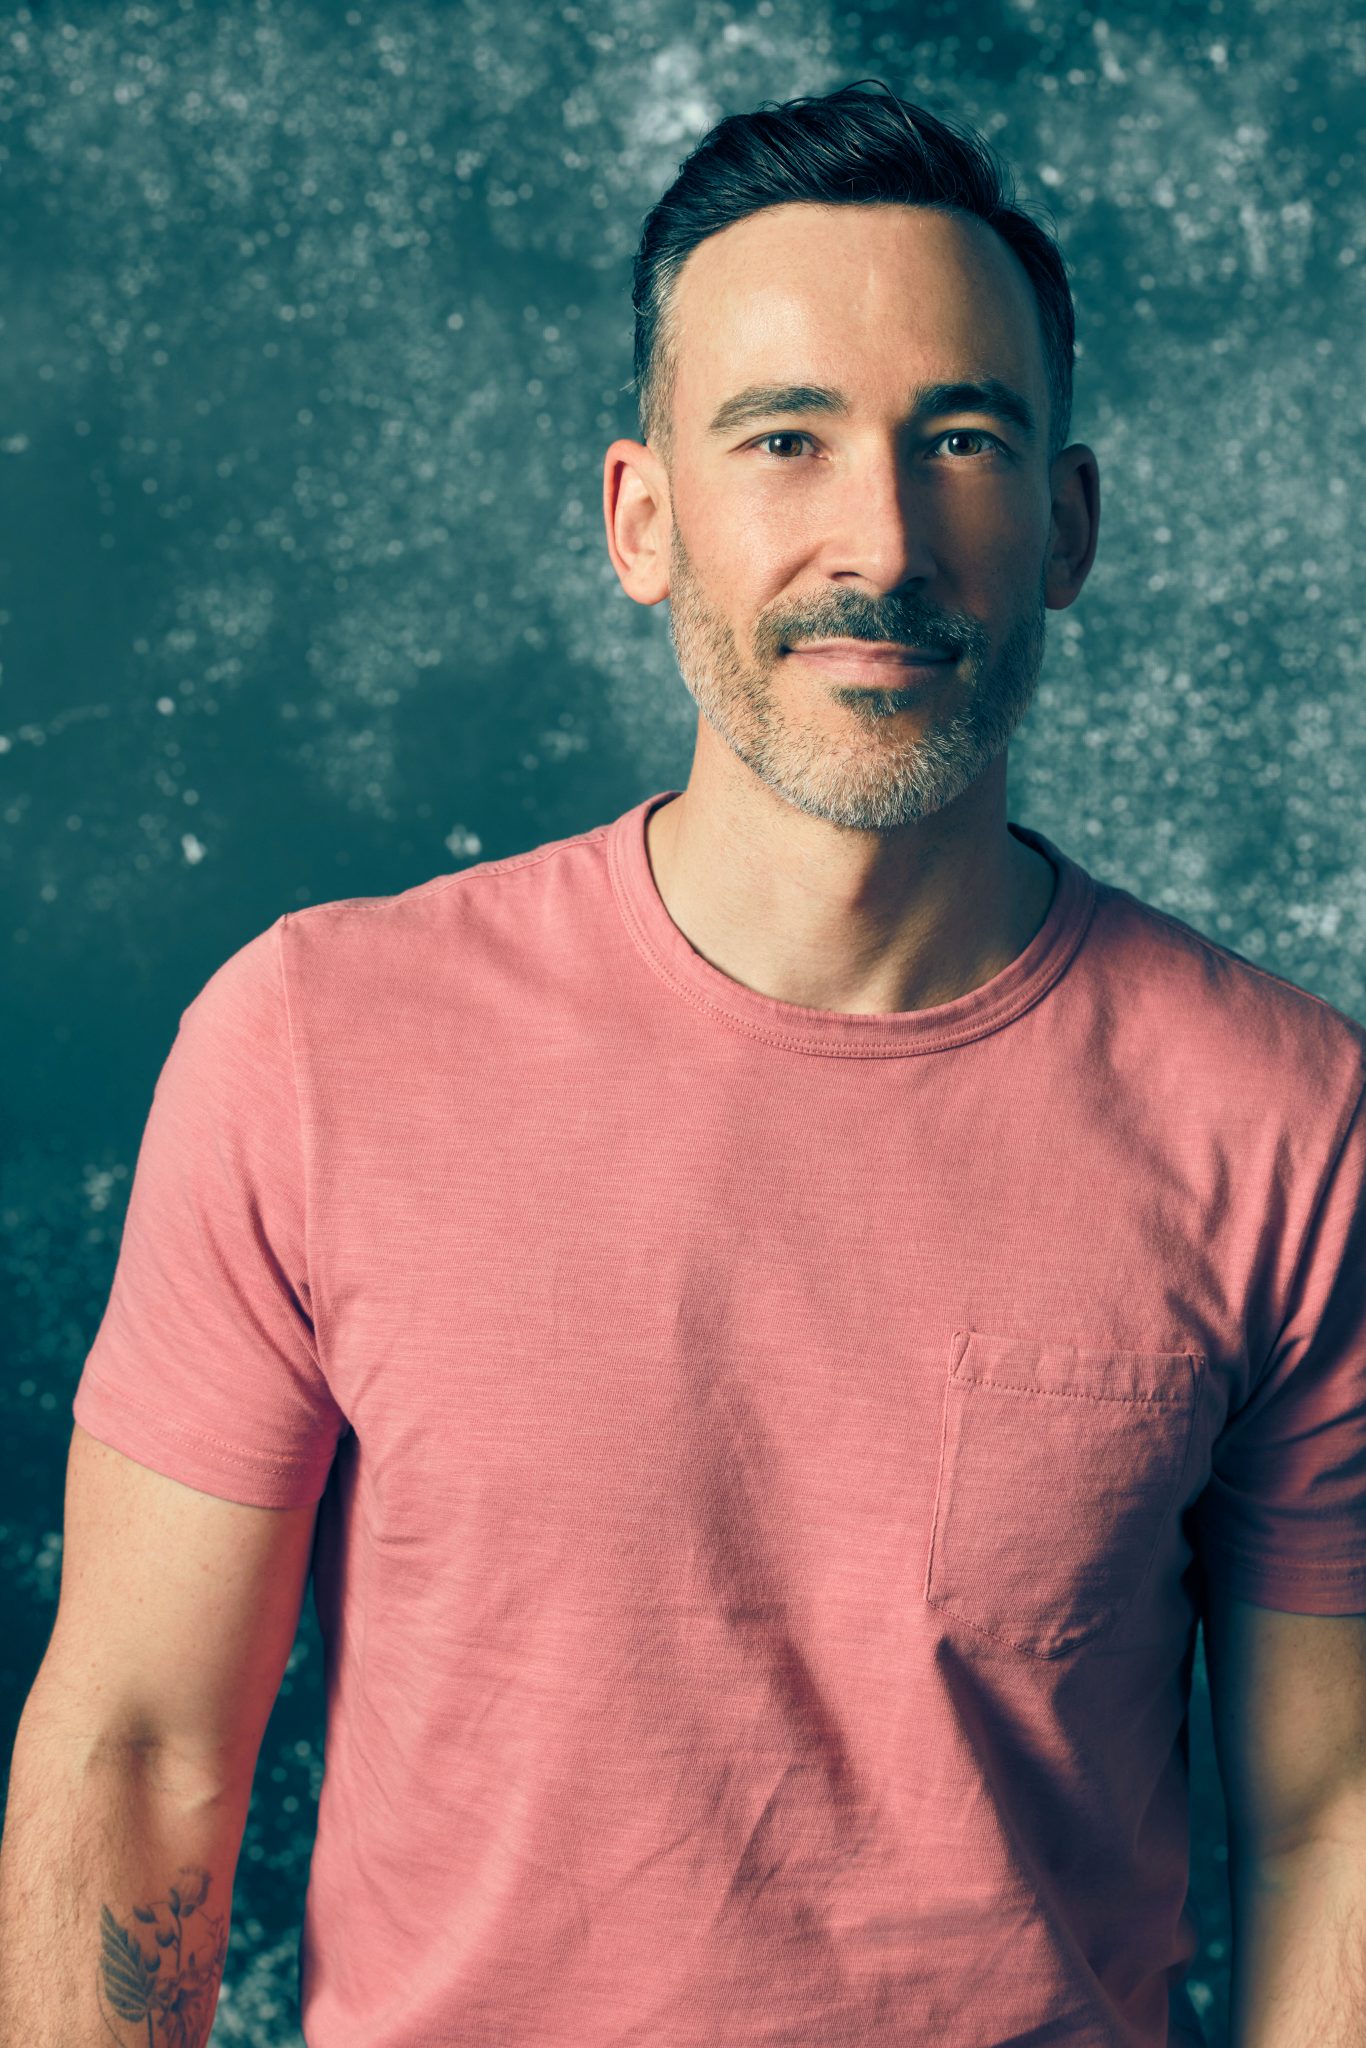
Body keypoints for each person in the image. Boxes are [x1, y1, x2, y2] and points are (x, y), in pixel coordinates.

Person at [2, 79, 1364, 2048]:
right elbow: (138, 1751)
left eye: (959, 441)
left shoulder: (1285, 1119)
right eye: (783, 438)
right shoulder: (312, 1046)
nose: (878, 539)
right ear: (642, 519)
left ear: (1062, 522)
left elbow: (1330, 1814)